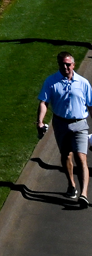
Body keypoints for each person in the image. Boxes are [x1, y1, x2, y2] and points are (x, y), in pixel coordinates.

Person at [41, 51, 92, 205]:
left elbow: (90, 105)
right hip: (61, 123)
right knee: (66, 156)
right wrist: (40, 121)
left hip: (80, 124)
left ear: (73, 65)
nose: (65, 67)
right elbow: (44, 102)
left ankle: (83, 194)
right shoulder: (51, 81)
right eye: (62, 64)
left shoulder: (83, 83)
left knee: (80, 157)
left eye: (68, 64)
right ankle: (71, 184)